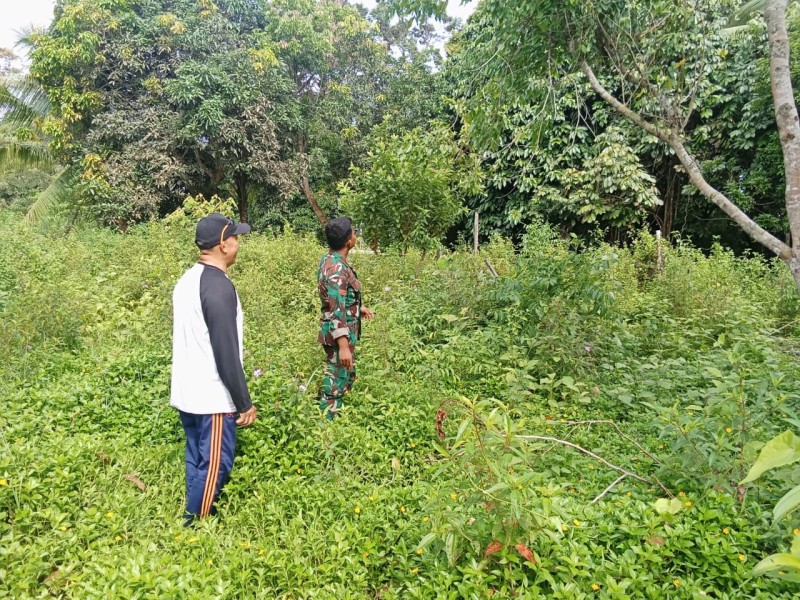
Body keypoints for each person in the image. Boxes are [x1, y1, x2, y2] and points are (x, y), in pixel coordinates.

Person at [170, 212, 257, 525]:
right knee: (216, 465)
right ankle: (192, 527)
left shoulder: (187, 280)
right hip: (211, 395)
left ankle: (194, 514)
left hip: (187, 391)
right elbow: (225, 350)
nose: (238, 243)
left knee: (197, 457)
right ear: (223, 244)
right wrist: (243, 401)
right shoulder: (219, 288)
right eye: (235, 238)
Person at [317, 217, 373, 419]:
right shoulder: (337, 269)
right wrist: (343, 346)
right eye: (353, 232)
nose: (355, 235)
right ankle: (328, 423)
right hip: (338, 334)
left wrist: (358, 307)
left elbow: (338, 296)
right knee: (336, 380)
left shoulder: (330, 260)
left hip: (339, 330)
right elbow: (335, 308)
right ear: (349, 241)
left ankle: (330, 410)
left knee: (344, 375)